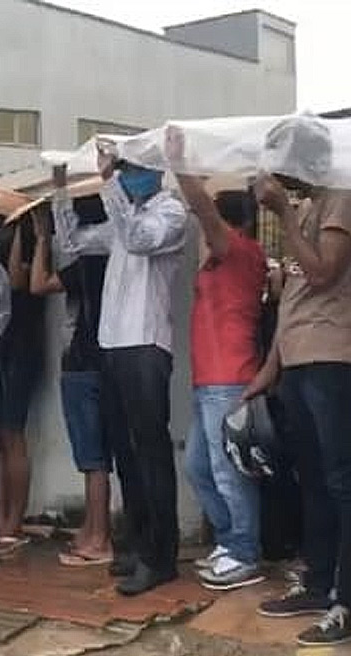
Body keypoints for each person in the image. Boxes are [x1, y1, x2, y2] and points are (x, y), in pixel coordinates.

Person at [53, 150, 188, 596]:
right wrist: (60, 191)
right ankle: (137, 543)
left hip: (145, 345)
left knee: (150, 450)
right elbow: (74, 243)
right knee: (126, 453)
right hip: (112, 344)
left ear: (153, 172)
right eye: (123, 169)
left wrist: (109, 183)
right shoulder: (126, 212)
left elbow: (136, 238)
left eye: (132, 169)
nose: (126, 176)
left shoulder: (169, 212)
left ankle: (161, 556)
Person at [246, 116, 351, 647]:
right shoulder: (308, 205)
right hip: (298, 361)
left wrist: (285, 214)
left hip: (333, 358)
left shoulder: (339, 198)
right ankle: (318, 581)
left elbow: (324, 273)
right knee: (312, 481)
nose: (279, 179)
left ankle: (345, 601)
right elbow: (291, 300)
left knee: (341, 481)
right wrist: (269, 370)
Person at [167, 129, 269, 591]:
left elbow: (204, 213)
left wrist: (182, 167)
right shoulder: (220, 263)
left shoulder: (240, 252)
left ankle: (245, 552)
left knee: (228, 473)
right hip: (210, 382)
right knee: (201, 469)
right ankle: (231, 541)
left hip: (229, 380)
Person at [30, 197, 113, 567]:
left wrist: (41, 240)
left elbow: (38, 284)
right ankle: (93, 530)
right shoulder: (113, 262)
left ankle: (98, 538)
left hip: (82, 363)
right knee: (94, 457)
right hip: (103, 361)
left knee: (92, 459)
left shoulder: (89, 263)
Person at [0, 213, 44, 554]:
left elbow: (18, 281)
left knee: (14, 433)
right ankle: (1, 515)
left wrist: (24, 232)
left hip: (21, 343)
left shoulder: (33, 238)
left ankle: (13, 521)